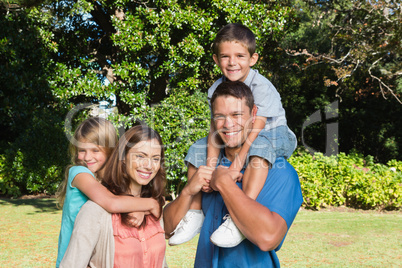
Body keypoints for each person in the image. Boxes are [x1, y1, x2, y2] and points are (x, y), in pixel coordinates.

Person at [168, 23, 297, 248]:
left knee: (261, 145)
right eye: (225, 57)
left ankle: (238, 219)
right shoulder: (216, 88)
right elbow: (214, 130)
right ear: (217, 60)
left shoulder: (261, 87)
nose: (232, 62)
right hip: (248, 135)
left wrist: (237, 164)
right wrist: (208, 169)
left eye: (239, 56)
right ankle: (195, 211)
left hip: (274, 133)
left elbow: (257, 128)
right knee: (197, 147)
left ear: (253, 59)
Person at [164, 81, 303, 267]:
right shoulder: (205, 166)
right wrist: (188, 191)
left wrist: (223, 182)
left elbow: (268, 238)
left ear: (253, 114)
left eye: (236, 115)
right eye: (220, 116)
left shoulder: (280, 172)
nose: (228, 124)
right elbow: (166, 229)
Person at [55, 118, 161, 267]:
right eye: (81, 150)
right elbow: (112, 203)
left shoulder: (107, 179)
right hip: (73, 258)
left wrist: (141, 210)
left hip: (95, 255)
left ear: (110, 150)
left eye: (95, 150)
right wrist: (150, 204)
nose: (87, 157)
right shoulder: (79, 173)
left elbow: (124, 202)